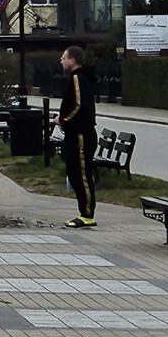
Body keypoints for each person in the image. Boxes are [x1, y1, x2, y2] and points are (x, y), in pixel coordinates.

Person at [57, 45, 96, 228]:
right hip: (74, 133)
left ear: (72, 60)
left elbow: (79, 104)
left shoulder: (78, 78)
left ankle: (87, 214)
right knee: (74, 174)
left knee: (81, 174)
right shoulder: (75, 78)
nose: (61, 61)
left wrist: (63, 119)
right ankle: (84, 211)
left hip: (81, 134)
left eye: (64, 58)